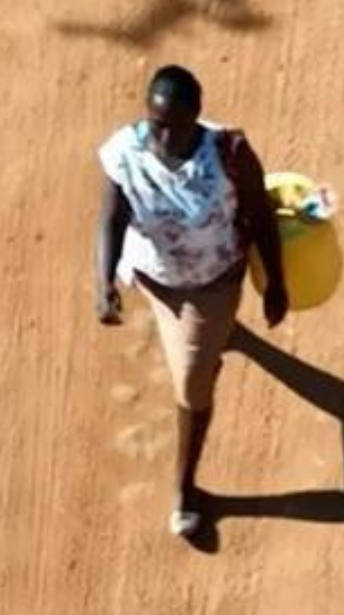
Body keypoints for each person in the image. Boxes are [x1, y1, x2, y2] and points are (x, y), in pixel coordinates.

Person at [95, 64, 288, 538]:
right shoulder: (125, 151)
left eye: (174, 125)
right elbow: (112, 219)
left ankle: (184, 487)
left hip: (212, 283)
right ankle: (217, 343)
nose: (162, 135)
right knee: (203, 353)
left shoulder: (229, 153)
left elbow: (260, 215)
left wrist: (276, 283)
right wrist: (104, 282)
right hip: (154, 277)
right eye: (155, 122)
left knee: (191, 387)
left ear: (196, 117)